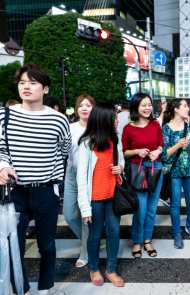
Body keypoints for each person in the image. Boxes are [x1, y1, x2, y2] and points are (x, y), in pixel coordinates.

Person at [0, 64, 71, 295]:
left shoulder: (59, 120)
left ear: (45, 89)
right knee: (13, 246)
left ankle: (45, 288)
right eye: (22, 82)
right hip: (15, 192)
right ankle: (23, 289)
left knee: (47, 246)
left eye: (32, 82)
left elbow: (63, 151)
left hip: (46, 192)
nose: (26, 86)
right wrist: (2, 166)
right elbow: (1, 149)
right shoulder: (4, 115)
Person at [77, 102, 125, 287]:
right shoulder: (87, 143)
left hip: (114, 197)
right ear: (105, 119)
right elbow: (81, 177)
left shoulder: (115, 140)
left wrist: (120, 167)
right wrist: (85, 207)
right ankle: (95, 268)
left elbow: (120, 161)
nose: (117, 120)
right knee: (94, 236)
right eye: (114, 117)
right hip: (94, 200)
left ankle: (111, 269)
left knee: (114, 233)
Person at [122, 93, 164, 258]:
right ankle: (136, 241)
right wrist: (137, 151)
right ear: (136, 108)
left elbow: (161, 145)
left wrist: (157, 151)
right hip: (137, 169)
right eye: (143, 105)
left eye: (149, 105)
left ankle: (147, 240)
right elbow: (125, 152)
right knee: (140, 209)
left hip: (155, 167)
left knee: (152, 209)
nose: (147, 108)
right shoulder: (128, 128)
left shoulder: (155, 125)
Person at [161, 98, 190, 249]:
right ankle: (176, 232)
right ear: (176, 109)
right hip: (174, 172)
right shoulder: (166, 129)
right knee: (175, 204)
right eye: (185, 106)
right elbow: (164, 155)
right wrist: (178, 145)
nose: (188, 109)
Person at [63, 94, 95, 268]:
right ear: (76, 109)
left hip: (90, 176)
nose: (84, 108)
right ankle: (90, 241)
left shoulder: (98, 130)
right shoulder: (70, 128)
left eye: (88, 105)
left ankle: (85, 252)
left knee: (85, 217)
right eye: (81, 105)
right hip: (71, 173)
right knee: (69, 215)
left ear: (93, 108)